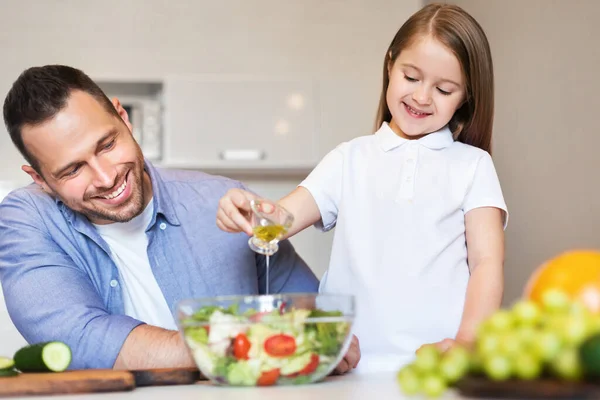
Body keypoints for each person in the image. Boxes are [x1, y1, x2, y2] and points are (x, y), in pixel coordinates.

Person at [0, 65, 360, 372]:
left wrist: (330, 343)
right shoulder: (25, 219)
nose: (106, 177)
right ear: (40, 179)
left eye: (107, 145)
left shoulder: (220, 200)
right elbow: (77, 337)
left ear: (122, 117)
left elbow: (318, 321)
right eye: (73, 169)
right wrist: (245, 347)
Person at [217, 3, 508, 372]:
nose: (422, 97)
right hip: (347, 369)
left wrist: (469, 341)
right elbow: (281, 220)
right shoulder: (348, 158)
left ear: (465, 96)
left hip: (438, 370)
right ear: (390, 66)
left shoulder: (473, 166)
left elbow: (487, 262)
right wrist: (247, 210)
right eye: (412, 77)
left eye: (444, 89)